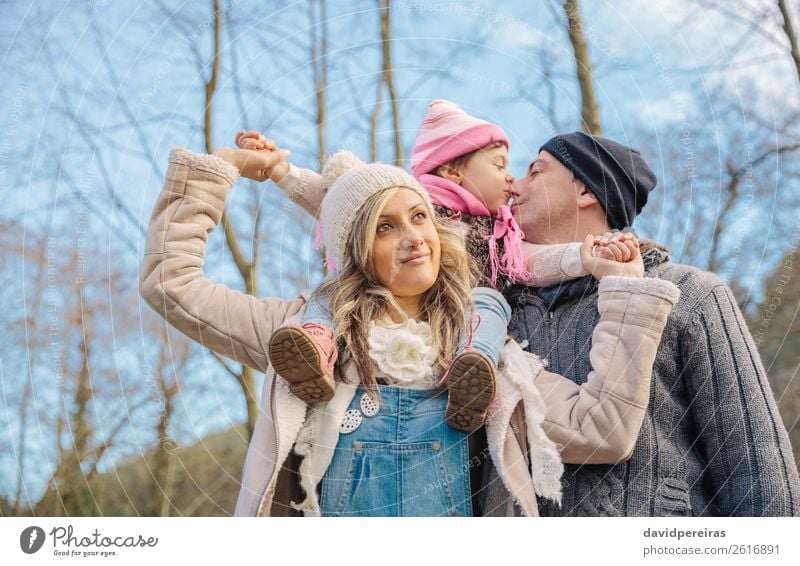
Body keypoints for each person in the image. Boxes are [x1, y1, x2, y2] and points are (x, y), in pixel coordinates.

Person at [139, 144, 680, 516]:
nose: (413, 238)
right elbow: (171, 283)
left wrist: (626, 293)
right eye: (385, 226)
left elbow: (603, 429)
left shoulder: (491, 357)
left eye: (419, 216)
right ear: (356, 250)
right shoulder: (301, 334)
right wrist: (222, 167)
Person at [235, 100, 606, 434]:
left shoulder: (500, 232)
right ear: (453, 171)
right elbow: (343, 204)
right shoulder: (414, 200)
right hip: (399, 308)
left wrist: (583, 258)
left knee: (491, 304)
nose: (510, 178)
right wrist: (282, 172)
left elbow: (533, 263)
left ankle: (472, 371)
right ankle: (314, 346)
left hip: (456, 315)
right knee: (332, 292)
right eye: (498, 166)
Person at [501, 130, 800, 516]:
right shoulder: (501, 318)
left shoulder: (690, 293)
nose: (513, 186)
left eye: (535, 172)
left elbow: (758, 472)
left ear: (585, 192)